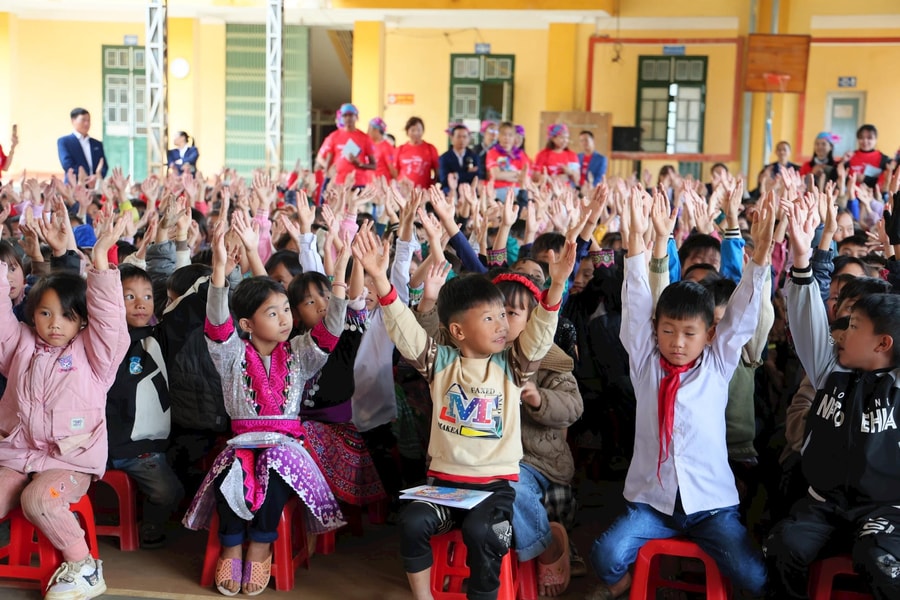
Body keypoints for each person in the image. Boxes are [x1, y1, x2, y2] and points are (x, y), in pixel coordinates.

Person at [351, 224, 575, 600]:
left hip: (495, 491)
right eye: (489, 318)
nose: (502, 326)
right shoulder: (440, 363)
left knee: (485, 534)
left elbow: (538, 333)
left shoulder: (513, 364)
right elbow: (405, 330)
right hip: (445, 489)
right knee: (411, 521)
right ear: (457, 331)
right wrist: (378, 276)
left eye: (503, 316)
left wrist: (556, 287)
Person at [586, 187, 773, 599]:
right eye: (667, 331)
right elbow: (635, 301)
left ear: (709, 334)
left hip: (710, 506)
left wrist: (759, 254)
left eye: (689, 333)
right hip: (653, 505)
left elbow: (743, 312)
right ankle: (628, 584)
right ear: (656, 330)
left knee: (753, 578)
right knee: (605, 556)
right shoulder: (646, 363)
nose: (677, 342)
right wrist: (637, 239)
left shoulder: (718, 363)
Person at [182, 218, 347, 596]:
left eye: (286, 310)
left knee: (274, 474)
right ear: (247, 324)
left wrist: (338, 278)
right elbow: (216, 323)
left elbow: (331, 329)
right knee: (229, 478)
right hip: (242, 446)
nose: (286, 318)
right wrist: (220, 272)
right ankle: (231, 543)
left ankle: (260, 545)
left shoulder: (302, 354)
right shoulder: (230, 353)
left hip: (287, 448)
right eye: (272, 313)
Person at [766, 195, 900, 600]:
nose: (839, 332)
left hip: (884, 509)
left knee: (879, 562)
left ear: (883, 343)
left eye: (853, 326)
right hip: (822, 503)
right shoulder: (831, 366)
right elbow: (806, 315)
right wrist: (806, 257)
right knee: (783, 548)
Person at [0, 213, 130, 600]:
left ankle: (84, 565)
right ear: (32, 314)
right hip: (17, 453)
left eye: (67, 316)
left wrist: (102, 264)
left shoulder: (96, 356)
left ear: (82, 321)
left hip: (70, 461)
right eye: (45, 313)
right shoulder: (18, 345)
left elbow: (109, 321)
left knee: (39, 499)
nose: (55, 324)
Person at [105, 264, 185, 549]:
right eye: (129, 297)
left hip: (141, 448)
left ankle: (150, 524)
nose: (141, 304)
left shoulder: (158, 337)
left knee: (169, 492)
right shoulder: (99, 339)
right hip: (95, 445)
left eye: (147, 296)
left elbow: (186, 300)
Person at [315, 103, 376, 187]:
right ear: (341, 118)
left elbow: (374, 165)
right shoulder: (334, 136)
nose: (348, 118)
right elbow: (326, 161)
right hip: (338, 183)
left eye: (351, 115)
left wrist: (360, 164)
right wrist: (328, 174)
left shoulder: (365, 138)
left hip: (358, 183)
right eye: (345, 115)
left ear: (356, 117)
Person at [58, 107, 108, 180]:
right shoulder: (64, 141)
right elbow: (67, 164)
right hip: (74, 185)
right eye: (83, 120)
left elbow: (104, 165)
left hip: (95, 186)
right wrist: (86, 178)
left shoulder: (97, 144)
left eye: (88, 120)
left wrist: (96, 177)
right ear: (73, 121)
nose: (86, 123)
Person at [486, 121, 530, 202]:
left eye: (510, 135)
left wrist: (504, 175)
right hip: (498, 190)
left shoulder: (521, 154)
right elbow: (496, 175)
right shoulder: (492, 152)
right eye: (504, 134)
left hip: (518, 190)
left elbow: (526, 177)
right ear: (498, 136)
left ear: (514, 137)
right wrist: (518, 174)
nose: (507, 138)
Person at [394, 116, 440, 189]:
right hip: (403, 191)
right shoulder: (400, 149)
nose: (416, 133)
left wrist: (433, 185)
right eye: (413, 130)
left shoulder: (430, 148)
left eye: (419, 130)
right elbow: (395, 172)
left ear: (423, 131)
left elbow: (437, 171)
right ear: (407, 131)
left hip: (424, 191)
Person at [844, 124, 892, 188]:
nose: (865, 141)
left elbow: (885, 183)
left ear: (875, 139)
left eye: (869, 138)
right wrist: (842, 162)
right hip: (850, 195)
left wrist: (865, 179)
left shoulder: (884, 159)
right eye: (861, 138)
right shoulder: (849, 156)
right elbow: (839, 179)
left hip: (874, 196)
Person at [438, 125, 478, 193]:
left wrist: (456, 175)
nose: (462, 139)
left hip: (469, 192)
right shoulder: (444, 157)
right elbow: (444, 179)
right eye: (459, 136)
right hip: (450, 193)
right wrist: (467, 173)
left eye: (464, 137)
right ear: (452, 138)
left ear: (468, 138)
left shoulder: (474, 156)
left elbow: (477, 176)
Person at [367, 117, 397, 182]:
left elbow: (393, 170)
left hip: (381, 188)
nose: (367, 131)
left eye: (369, 129)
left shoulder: (386, 147)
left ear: (376, 130)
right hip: (369, 187)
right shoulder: (369, 144)